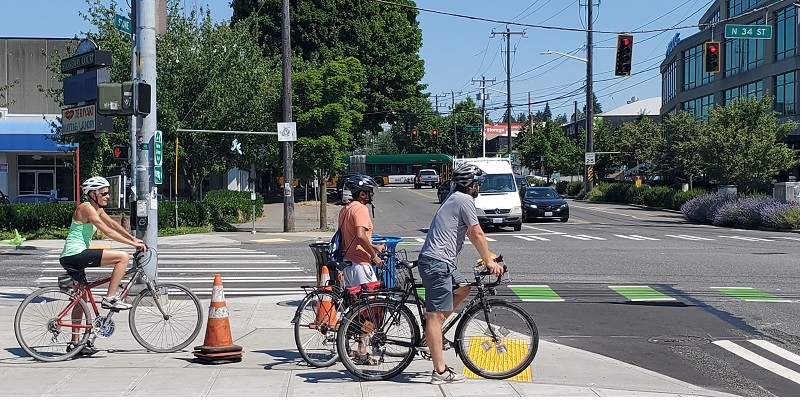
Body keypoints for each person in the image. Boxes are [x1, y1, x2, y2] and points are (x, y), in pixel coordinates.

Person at [417, 164, 504, 384]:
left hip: (440, 261)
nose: (479, 187)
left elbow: (471, 235)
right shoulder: (465, 200)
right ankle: (440, 371)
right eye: (478, 183)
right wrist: (487, 261)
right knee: (435, 317)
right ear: (472, 184)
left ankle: (432, 332)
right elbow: (476, 233)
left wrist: (489, 255)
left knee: (464, 288)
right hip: (437, 263)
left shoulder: (454, 197)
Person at [60, 176, 146, 354]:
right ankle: (110, 297)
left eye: (108, 193)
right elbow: (106, 231)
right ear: (93, 194)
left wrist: (132, 238)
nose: (108, 196)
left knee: (80, 299)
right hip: (75, 254)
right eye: (104, 193)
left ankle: (75, 344)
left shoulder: (95, 208)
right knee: (122, 257)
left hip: (71, 256)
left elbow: (112, 224)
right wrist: (133, 246)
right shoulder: (86, 208)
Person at [337, 174, 385, 365]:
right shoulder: (361, 209)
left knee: (355, 309)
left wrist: (374, 247)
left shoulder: (345, 209)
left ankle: (352, 347)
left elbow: (353, 237)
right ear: (362, 193)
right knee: (371, 309)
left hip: (349, 264)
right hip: (361, 266)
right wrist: (374, 256)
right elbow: (359, 235)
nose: (371, 194)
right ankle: (362, 350)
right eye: (369, 191)